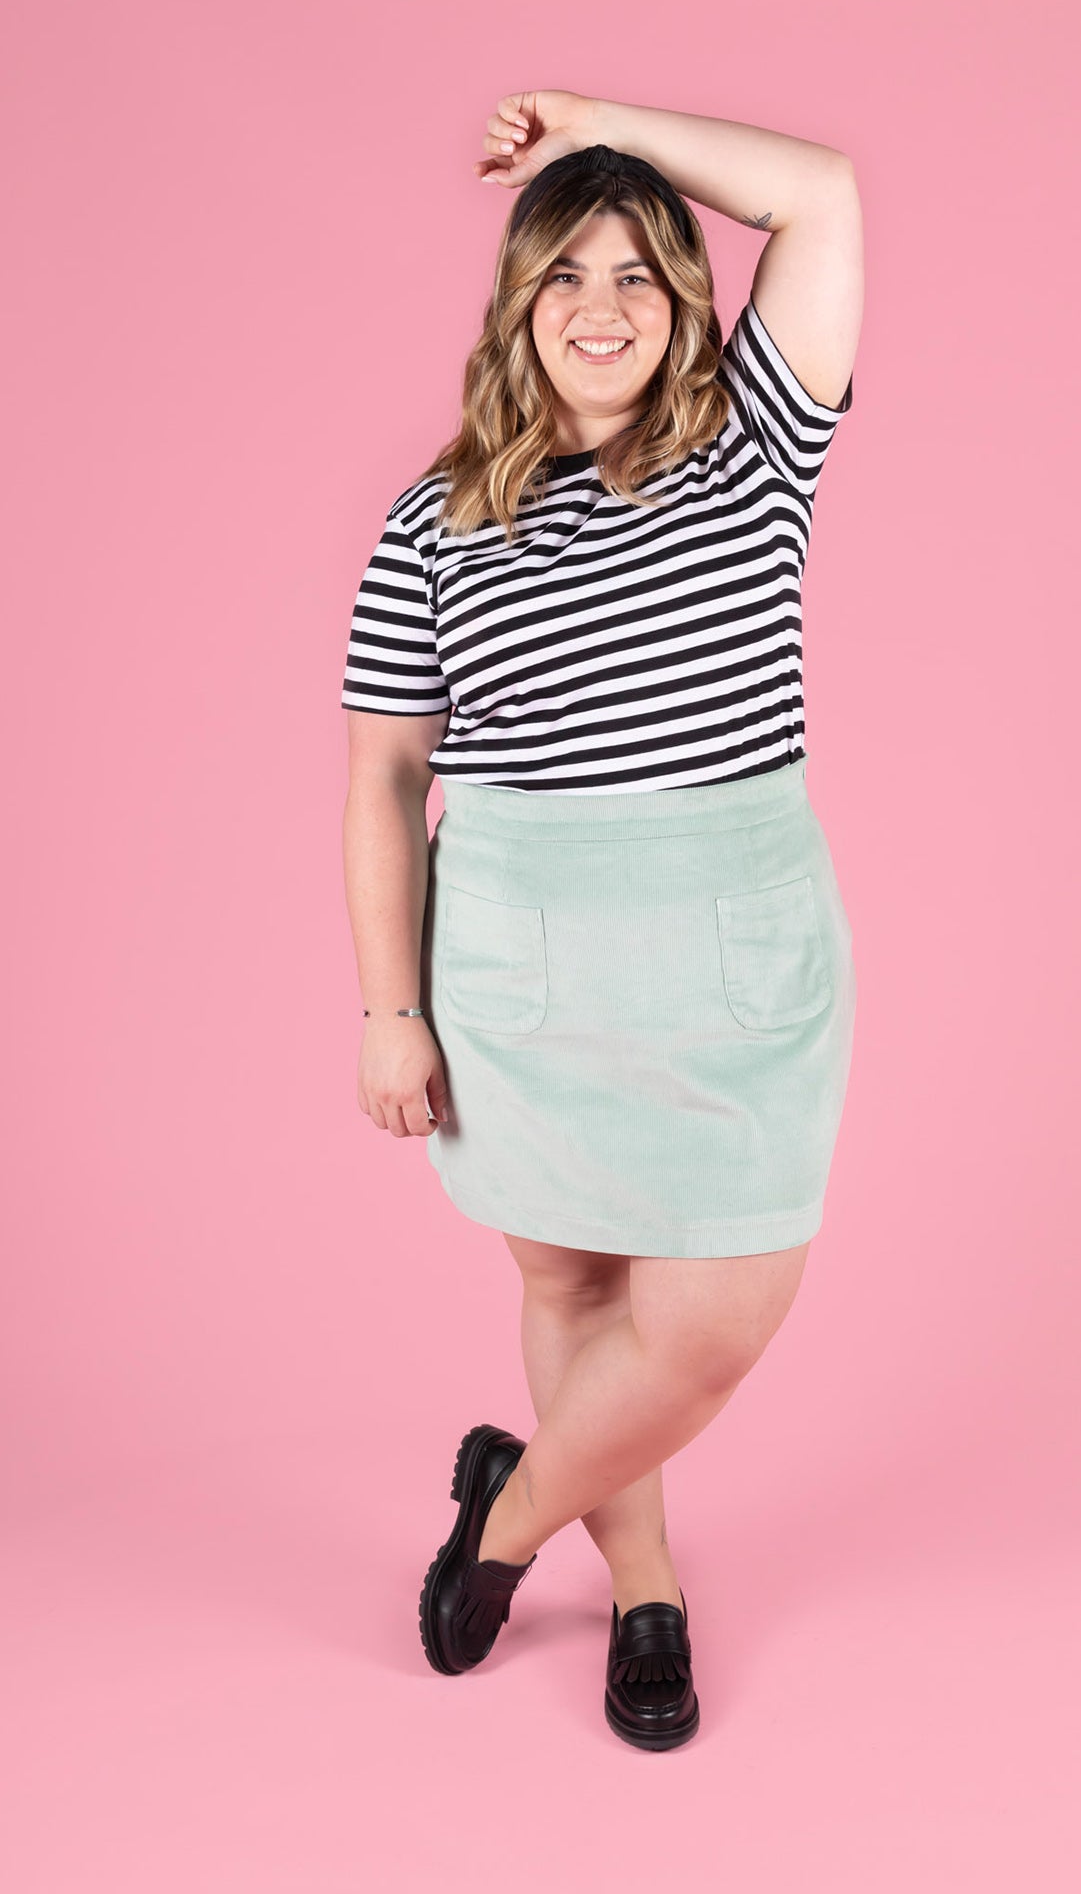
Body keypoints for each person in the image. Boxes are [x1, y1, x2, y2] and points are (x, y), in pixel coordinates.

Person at [340, 90, 862, 1751]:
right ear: (515, 304)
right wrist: (390, 1012)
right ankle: (645, 1585)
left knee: (708, 1321)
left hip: (732, 951)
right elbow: (384, 781)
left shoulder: (753, 448)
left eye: (639, 272)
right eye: (564, 271)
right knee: (570, 1288)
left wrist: (586, 122)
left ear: (687, 302)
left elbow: (822, 193)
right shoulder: (433, 521)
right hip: (522, 959)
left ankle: (505, 1514)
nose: (601, 306)